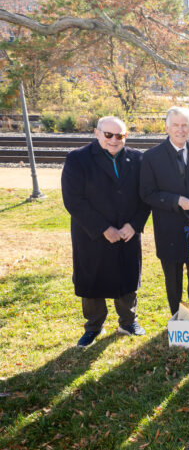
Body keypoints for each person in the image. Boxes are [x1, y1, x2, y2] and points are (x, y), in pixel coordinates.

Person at [61, 116, 150, 347]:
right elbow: (73, 200)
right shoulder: (77, 159)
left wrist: (134, 225)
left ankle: (128, 322)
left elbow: (146, 197)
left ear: (125, 136)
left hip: (127, 232)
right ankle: (93, 326)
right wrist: (103, 228)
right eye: (108, 134)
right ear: (97, 133)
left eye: (119, 135)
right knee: (92, 279)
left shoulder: (138, 159)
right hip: (91, 233)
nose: (114, 140)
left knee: (127, 276)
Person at [140, 107, 189, 316]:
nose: (181, 130)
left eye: (185, 125)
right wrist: (175, 200)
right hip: (168, 226)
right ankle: (177, 316)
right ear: (167, 127)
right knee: (173, 276)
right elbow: (147, 193)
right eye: (176, 125)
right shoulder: (152, 157)